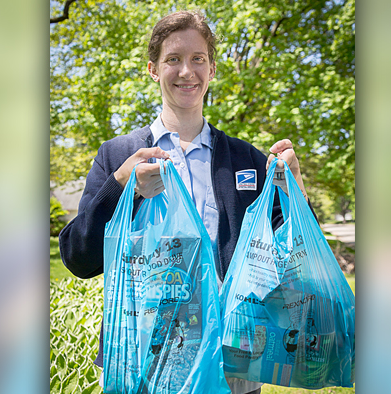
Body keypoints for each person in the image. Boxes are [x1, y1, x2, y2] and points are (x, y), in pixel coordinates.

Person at [59, 10, 313, 394]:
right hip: (143, 354)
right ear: (153, 69)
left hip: (230, 356)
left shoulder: (246, 160)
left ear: (212, 70)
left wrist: (296, 190)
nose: (186, 72)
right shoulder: (118, 155)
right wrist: (121, 188)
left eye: (198, 59)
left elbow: (298, 257)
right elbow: (79, 257)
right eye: (173, 59)